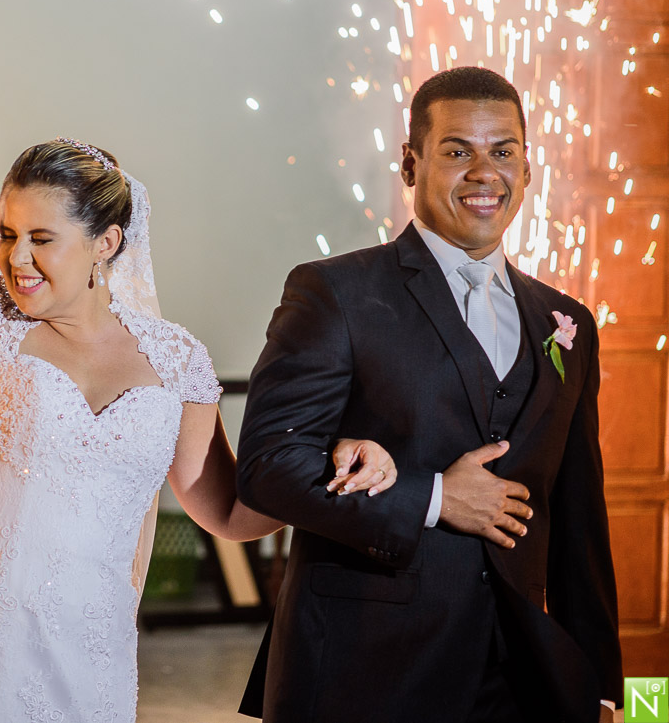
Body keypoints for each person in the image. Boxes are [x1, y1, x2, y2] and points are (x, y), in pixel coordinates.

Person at [0, 0, 398, 722]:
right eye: (7, 233)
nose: (17, 258)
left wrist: (335, 473)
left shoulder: (177, 361)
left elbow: (228, 511)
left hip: (89, 650)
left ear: (107, 242)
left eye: (42, 238)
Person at [236, 66, 622, 723]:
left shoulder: (568, 323)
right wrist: (438, 497)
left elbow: (579, 518)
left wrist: (606, 690)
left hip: (521, 682)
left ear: (528, 168)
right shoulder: (335, 292)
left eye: (503, 152)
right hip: (364, 673)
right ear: (411, 164)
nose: (484, 173)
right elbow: (269, 467)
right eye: (457, 151)